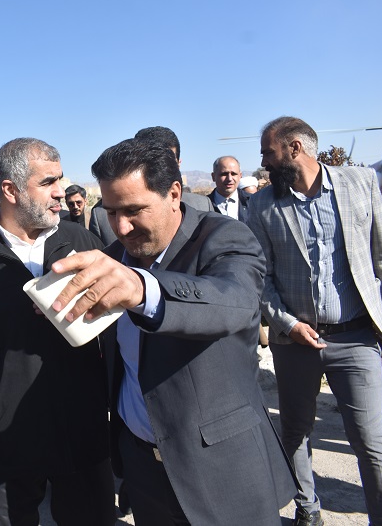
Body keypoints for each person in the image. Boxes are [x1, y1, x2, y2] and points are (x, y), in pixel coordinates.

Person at [49, 138, 296, 524]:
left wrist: (142, 289)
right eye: (111, 212)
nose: (121, 227)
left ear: (174, 193)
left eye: (134, 210)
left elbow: (232, 302)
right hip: (142, 467)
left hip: (220, 468)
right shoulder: (111, 260)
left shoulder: (224, 238)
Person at [0, 138, 114, 526]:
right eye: (48, 182)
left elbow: (116, 339)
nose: (60, 192)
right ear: (10, 190)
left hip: (82, 433)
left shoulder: (82, 244)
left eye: (60, 180)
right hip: (5, 444)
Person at [248, 116, 382, 526]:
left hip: (357, 338)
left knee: (372, 441)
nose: (263, 162)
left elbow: (381, 258)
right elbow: (260, 277)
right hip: (296, 344)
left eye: (268, 152)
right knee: (296, 432)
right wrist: (287, 324)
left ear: (294, 148)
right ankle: (308, 509)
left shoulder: (360, 183)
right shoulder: (262, 205)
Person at [134, 126, 213, 212]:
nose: (160, 170)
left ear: (178, 164)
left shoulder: (202, 205)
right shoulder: (124, 211)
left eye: (167, 162)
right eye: (151, 163)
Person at [207, 156, 251, 222]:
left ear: (240, 176)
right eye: (224, 174)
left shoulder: (252, 202)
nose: (229, 179)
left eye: (233, 174)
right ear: (213, 177)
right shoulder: (203, 205)